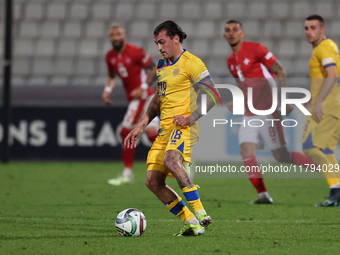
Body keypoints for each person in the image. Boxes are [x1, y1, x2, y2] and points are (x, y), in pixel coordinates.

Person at [124, 20, 219, 236]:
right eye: (156, 43)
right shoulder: (161, 65)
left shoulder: (192, 63)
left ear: (176, 39)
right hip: (164, 131)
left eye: (162, 42)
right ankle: (192, 222)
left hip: (184, 127)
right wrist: (140, 126)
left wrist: (191, 117)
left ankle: (201, 212)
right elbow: (158, 98)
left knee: (170, 160)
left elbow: (213, 95)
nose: (159, 47)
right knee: (152, 182)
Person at [224, 20, 315, 204]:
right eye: (228, 31)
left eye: (235, 30)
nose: (231, 33)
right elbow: (243, 85)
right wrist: (238, 99)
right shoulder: (230, 61)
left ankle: (329, 173)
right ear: (225, 36)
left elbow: (279, 71)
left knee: (281, 156)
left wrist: (284, 100)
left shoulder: (256, 49)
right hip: (251, 112)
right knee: (245, 150)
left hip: (269, 109)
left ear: (243, 33)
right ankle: (263, 195)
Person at [103, 24, 159, 186]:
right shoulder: (110, 56)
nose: (115, 37)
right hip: (137, 97)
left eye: (118, 34)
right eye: (112, 35)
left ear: (124, 36)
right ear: (110, 38)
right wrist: (107, 91)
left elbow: (154, 68)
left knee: (125, 131)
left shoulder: (135, 51)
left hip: (143, 96)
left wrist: (142, 87)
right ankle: (182, 158)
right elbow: (112, 76)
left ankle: (127, 173)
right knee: (151, 134)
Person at [303, 15, 340, 207]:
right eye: (307, 28)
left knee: (310, 146)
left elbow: (332, 75)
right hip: (333, 104)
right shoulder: (327, 47)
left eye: (313, 28)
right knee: (326, 148)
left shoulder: (324, 47)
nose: (309, 32)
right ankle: (337, 191)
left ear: (322, 29)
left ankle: (336, 190)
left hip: (328, 105)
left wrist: (319, 103)